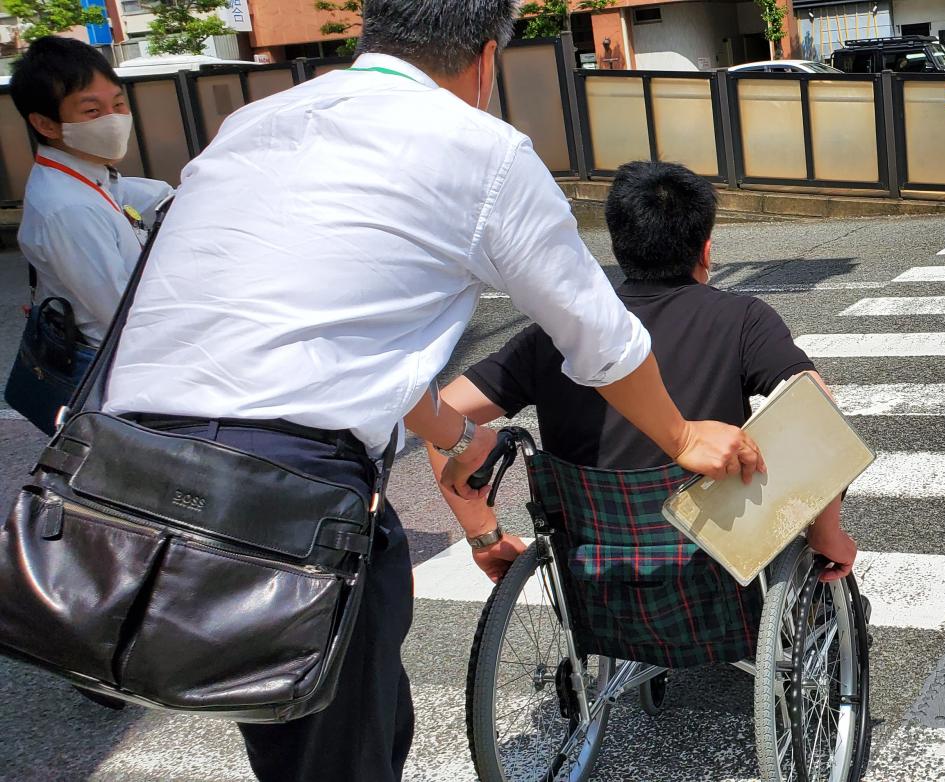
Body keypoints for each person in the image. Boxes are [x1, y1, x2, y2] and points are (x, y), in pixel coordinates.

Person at [98, 0, 761, 778]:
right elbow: (602, 338)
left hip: (125, 470)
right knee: (336, 751)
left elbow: (331, 333)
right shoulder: (482, 152)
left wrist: (452, 433)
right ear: (486, 60)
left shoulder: (254, 124)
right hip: (288, 502)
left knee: (329, 720)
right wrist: (682, 436)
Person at [428, 160, 858, 586]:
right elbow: (819, 415)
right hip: (724, 574)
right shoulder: (743, 319)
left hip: (596, 585)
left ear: (618, 246)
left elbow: (440, 415)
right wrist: (826, 532)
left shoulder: (557, 337)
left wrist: (484, 534)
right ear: (706, 249)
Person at [3, 36, 171, 434]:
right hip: (109, 376)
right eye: (92, 110)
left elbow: (142, 196)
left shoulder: (87, 177)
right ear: (45, 124)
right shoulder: (69, 207)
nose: (113, 118)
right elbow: (119, 318)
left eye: (118, 104)